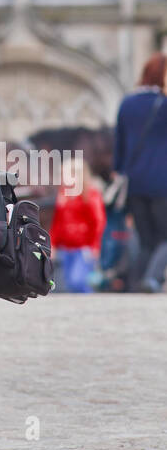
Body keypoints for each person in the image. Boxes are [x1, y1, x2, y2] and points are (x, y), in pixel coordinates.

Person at [113, 52, 167, 292]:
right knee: (164, 238)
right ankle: (152, 279)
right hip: (163, 182)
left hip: (134, 183)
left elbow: (119, 145)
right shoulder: (164, 104)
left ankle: (136, 283)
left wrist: (119, 171)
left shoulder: (127, 103)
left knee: (146, 240)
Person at [50, 157, 106, 293]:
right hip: (65, 247)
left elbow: (98, 222)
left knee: (78, 280)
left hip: (83, 248)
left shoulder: (91, 195)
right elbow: (58, 222)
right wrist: (52, 243)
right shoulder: (63, 195)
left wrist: (94, 246)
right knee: (67, 281)